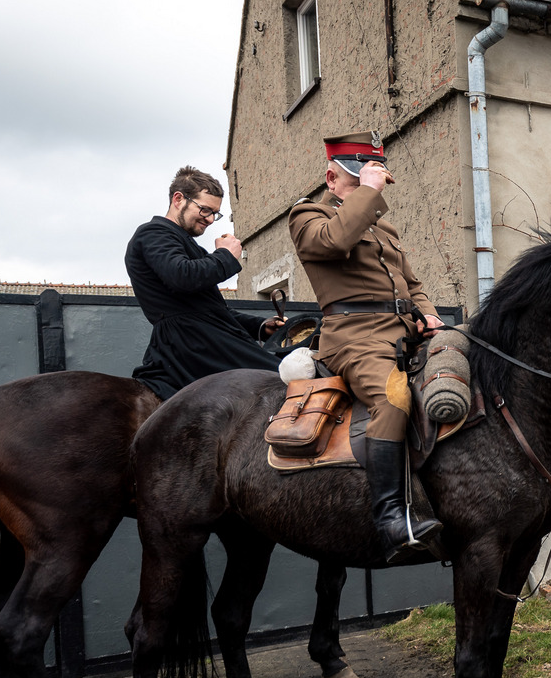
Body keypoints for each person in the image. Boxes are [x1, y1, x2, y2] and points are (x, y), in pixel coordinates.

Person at [288, 133, 444, 560]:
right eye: (357, 181)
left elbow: (412, 283)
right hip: (354, 338)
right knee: (393, 399)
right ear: (332, 178)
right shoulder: (306, 216)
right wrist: (369, 191)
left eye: (371, 182)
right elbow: (335, 241)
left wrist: (428, 313)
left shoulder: (383, 227)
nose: (368, 190)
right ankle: (392, 517)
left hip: (403, 332)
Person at [126, 167, 285, 400]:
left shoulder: (184, 242)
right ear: (178, 199)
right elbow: (182, 277)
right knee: (284, 379)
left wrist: (260, 326)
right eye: (205, 209)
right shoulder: (153, 233)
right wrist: (225, 256)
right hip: (193, 343)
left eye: (215, 213)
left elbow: (212, 310)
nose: (210, 219)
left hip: (203, 337)